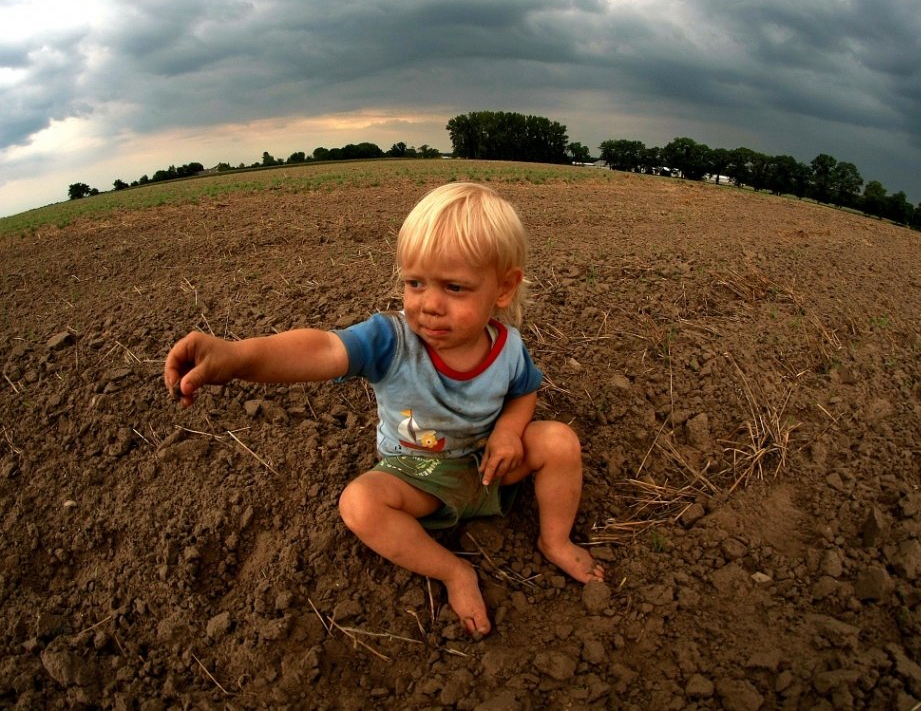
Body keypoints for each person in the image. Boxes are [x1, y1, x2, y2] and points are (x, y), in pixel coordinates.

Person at [163, 182, 604, 636]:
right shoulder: (390, 341)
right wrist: (238, 357)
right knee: (360, 504)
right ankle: (453, 571)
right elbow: (322, 349)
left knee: (559, 441)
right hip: (416, 475)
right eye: (415, 283)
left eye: (454, 287)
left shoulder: (508, 346)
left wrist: (509, 430)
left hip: (489, 465)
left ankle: (555, 540)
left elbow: (523, 392)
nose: (429, 304)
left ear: (504, 288)